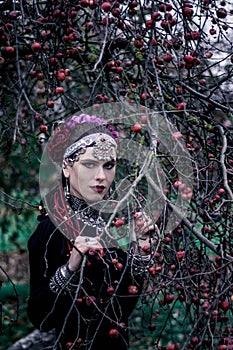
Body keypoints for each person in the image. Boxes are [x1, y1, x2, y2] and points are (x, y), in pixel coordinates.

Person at [27, 114, 157, 350]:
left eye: (109, 165)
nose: (101, 177)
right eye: (89, 164)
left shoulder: (107, 226)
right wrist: (69, 268)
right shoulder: (51, 230)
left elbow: (121, 310)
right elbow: (41, 318)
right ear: (66, 167)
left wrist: (140, 251)